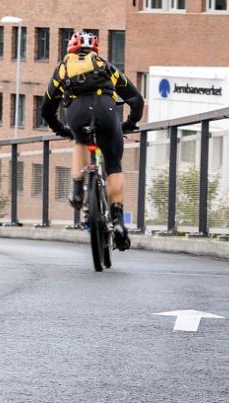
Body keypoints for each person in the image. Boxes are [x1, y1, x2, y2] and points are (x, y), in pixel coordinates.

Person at [41, 32, 144, 251]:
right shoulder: (105, 66)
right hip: (106, 113)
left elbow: (46, 109)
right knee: (113, 164)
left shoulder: (63, 69)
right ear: (95, 50)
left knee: (80, 140)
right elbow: (136, 99)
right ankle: (117, 221)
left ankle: (77, 190)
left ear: (70, 49)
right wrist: (129, 123)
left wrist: (61, 129)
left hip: (77, 115)